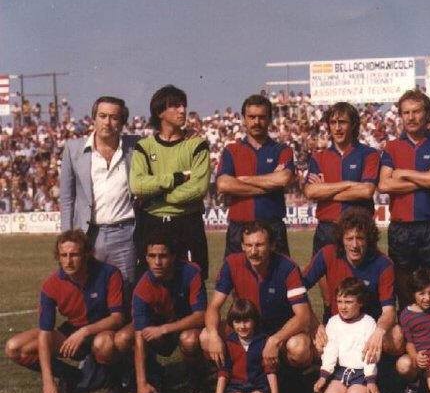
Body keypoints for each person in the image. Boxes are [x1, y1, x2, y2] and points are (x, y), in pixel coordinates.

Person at [4, 230, 125, 393]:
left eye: (74, 254)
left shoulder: (109, 273)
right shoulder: (51, 285)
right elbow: (45, 333)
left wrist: (84, 332)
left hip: (102, 330)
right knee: (14, 348)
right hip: (73, 331)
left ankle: (114, 378)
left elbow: (118, 318)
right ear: (58, 257)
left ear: (86, 254)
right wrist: (48, 381)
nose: (68, 261)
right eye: (64, 255)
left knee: (104, 343)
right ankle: (72, 376)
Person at [202, 221, 314, 380]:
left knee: (299, 347)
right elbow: (214, 306)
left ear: (272, 245)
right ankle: (230, 376)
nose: (253, 251)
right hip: (246, 327)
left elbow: (303, 316)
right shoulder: (232, 264)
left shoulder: (287, 267)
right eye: (248, 245)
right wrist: (214, 335)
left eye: (259, 245)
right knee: (205, 336)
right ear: (242, 246)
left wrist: (275, 340)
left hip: (278, 329)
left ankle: (289, 380)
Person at [116, 232, 208, 393]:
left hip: (185, 326)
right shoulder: (142, 288)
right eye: (152, 256)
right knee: (122, 338)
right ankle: (152, 375)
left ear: (173, 256)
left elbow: (201, 315)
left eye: (163, 256)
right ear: (146, 258)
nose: (157, 262)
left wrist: (165, 329)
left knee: (189, 340)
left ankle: (197, 379)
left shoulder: (191, 272)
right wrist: (141, 383)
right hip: (157, 329)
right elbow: (140, 337)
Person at [378, 89, 430, 308]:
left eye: (416, 111)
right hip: (402, 228)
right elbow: (384, 184)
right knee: (405, 295)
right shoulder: (392, 146)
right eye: (406, 112)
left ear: (426, 113)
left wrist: (403, 173)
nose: (411, 117)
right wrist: (427, 176)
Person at [129, 85, 211, 279]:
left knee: (192, 282)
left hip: (187, 223)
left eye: (183, 105)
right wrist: (176, 178)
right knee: (149, 283)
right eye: (175, 106)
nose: (182, 110)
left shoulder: (197, 144)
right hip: (151, 223)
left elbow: (198, 188)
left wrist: (158, 196)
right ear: (160, 112)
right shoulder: (144, 146)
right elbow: (137, 185)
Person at [304, 102, 380, 310]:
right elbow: (310, 192)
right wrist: (348, 184)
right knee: (330, 300)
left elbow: (366, 191)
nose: (337, 128)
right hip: (327, 229)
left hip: (359, 231)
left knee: (364, 295)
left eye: (342, 122)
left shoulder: (369, 154)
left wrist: (326, 190)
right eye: (333, 122)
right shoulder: (319, 157)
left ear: (353, 124)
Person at [60, 96, 138, 294]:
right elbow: (67, 198)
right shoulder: (73, 149)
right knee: (89, 292)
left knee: (125, 290)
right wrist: (67, 237)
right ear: (93, 118)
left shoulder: (136, 147)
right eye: (102, 116)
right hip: (88, 235)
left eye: (114, 117)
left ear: (122, 122)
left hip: (125, 234)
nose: (107, 122)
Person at [303, 207, 403, 359]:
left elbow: (389, 311)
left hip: (370, 328)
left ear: (369, 239)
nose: (355, 245)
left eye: (360, 238)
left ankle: (383, 368)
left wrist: (379, 332)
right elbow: (297, 290)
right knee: (306, 349)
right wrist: (315, 324)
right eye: (349, 239)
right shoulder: (328, 253)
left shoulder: (383, 264)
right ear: (341, 239)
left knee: (396, 337)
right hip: (337, 326)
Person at [216, 94, 294, 256]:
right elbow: (223, 184)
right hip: (239, 228)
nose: (256, 122)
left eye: (261, 117)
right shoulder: (231, 150)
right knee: (236, 272)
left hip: (272, 228)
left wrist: (242, 180)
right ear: (244, 119)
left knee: (280, 273)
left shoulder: (282, 150)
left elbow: (283, 179)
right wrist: (269, 185)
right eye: (251, 117)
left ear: (270, 119)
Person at [209, 299, 285, 393]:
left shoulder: (263, 341)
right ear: (232, 323)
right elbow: (223, 374)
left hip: (258, 385)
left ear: (254, 321)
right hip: (236, 386)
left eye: (246, 321)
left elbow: (271, 372)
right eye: (237, 322)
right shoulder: (229, 343)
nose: (242, 326)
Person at [313, 278, 380, 393]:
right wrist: (323, 376)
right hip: (340, 372)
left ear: (360, 302)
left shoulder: (368, 322)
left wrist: (371, 381)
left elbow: (370, 354)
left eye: (348, 302)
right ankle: (343, 391)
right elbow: (330, 351)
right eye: (339, 301)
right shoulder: (333, 322)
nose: (343, 307)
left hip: (361, 373)